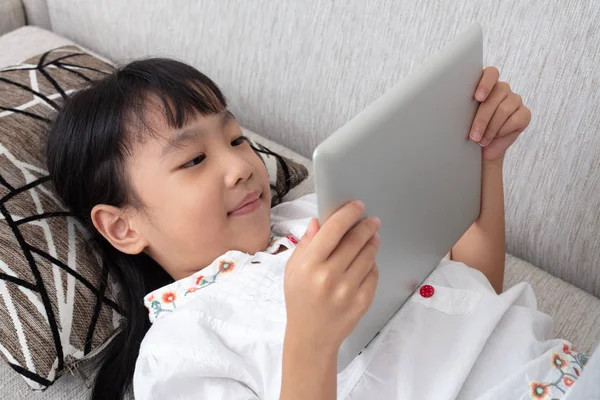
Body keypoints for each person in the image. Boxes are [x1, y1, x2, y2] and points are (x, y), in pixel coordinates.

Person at [46, 58, 588, 400]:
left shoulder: (315, 216)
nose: (240, 165)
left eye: (235, 140)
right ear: (121, 226)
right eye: (192, 161)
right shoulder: (182, 348)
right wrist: (311, 342)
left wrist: (484, 162)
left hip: (561, 367)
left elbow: (474, 290)